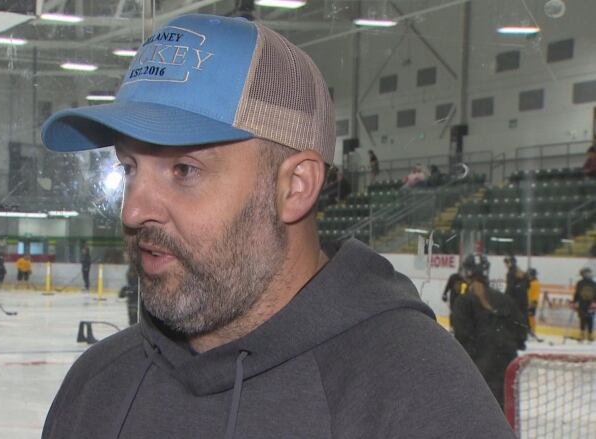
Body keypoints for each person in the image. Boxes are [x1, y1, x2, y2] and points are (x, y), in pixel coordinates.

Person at [40, 14, 515, 438]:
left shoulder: (421, 401)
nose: (133, 211)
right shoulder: (98, 384)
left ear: (296, 186)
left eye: (184, 170)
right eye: (129, 168)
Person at [452, 254, 528, 410]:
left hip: (479, 372)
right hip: (507, 370)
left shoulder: (463, 301)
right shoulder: (505, 299)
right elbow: (521, 332)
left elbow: (462, 338)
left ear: (467, 272)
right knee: (504, 416)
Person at [504, 256, 529, 327]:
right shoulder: (523, 273)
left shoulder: (510, 273)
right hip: (524, 300)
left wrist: (505, 298)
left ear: (510, 263)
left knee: (514, 319)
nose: (505, 265)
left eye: (506, 263)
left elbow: (510, 288)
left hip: (515, 301)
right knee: (524, 318)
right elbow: (528, 285)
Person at [572, 267, 596, 342]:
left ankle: (590, 334)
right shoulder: (580, 283)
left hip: (591, 304)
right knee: (582, 318)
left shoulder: (594, 284)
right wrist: (574, 302)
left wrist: (595, 302)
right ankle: (582, 334)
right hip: (582, 304)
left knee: (590, 319)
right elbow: (577, 294)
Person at [527, 268, 541, 339]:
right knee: (528, 318)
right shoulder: (529, 282)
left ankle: (532, 331)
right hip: (528, 302)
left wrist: (533, 303)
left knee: (531, 317)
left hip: (532, 303)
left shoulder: (535, 283)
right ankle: (529, 331)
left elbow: (535, 295)